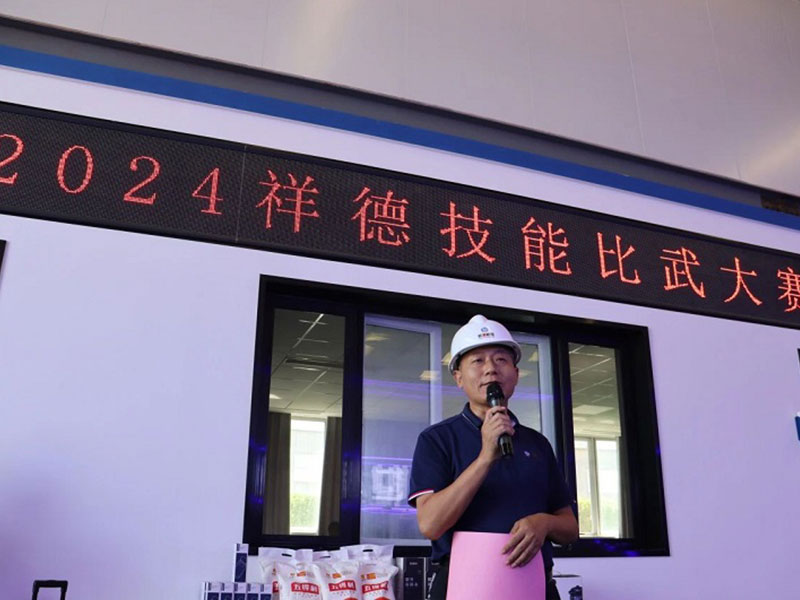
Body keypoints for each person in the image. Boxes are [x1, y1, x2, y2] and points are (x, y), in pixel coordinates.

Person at [408, 315, 579, 600]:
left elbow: (570, 528)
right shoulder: (437, 439)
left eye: (501, 359)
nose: (490, 369)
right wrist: (485, 457)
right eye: (478, 361)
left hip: (535, 587)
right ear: (458, 377)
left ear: (516, 373)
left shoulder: (538, 444)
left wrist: (544, 523)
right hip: (464, 587)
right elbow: (430, 524)